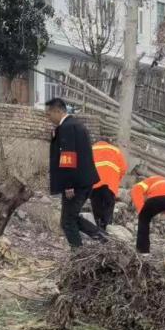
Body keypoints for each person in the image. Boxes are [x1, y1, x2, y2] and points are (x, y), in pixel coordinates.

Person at [44, 97, 105, 248]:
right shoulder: (75, 125)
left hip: (75, 184)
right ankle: (102, 238)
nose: (48, 118)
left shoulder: (67, 127)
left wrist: (68, 185)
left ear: (57, 111)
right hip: (83, 182)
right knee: (69, 218)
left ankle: (78, 253)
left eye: (49, 114)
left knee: (67, 221)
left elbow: (68, 156)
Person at [130, 174, 165, 254]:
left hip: (156, 197)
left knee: (143, 219)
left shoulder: (149, 180)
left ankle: (142, 251)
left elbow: (136, 189)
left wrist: (141, 210)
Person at [90, 140, 127, 229]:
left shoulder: (91, 149)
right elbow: (123, 169)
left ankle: (98, 227)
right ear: (108, 143)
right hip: (111, 184)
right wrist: (116, 180)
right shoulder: (115, 150)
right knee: (108, 207)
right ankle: (107, 227)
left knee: (96, 206)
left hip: (95, 183)